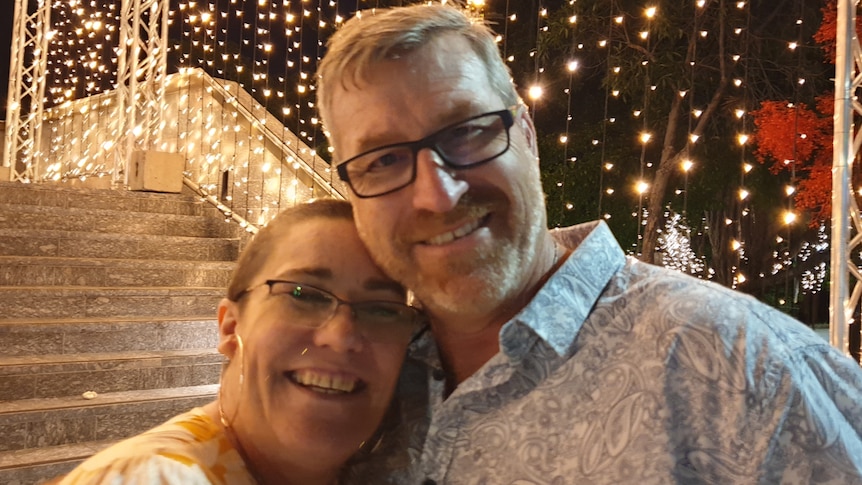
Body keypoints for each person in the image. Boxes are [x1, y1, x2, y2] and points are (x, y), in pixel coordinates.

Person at [316, 3, 862, 484]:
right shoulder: (357, 386)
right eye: (383, 159)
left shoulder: (742, 366)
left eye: (467, 131)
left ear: (526, 136)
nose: (436, 195)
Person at [56, 199, 422, 484]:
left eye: (382, 310)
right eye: (303, 294)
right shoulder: (161, 476)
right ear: (230, 327)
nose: (341, 337)